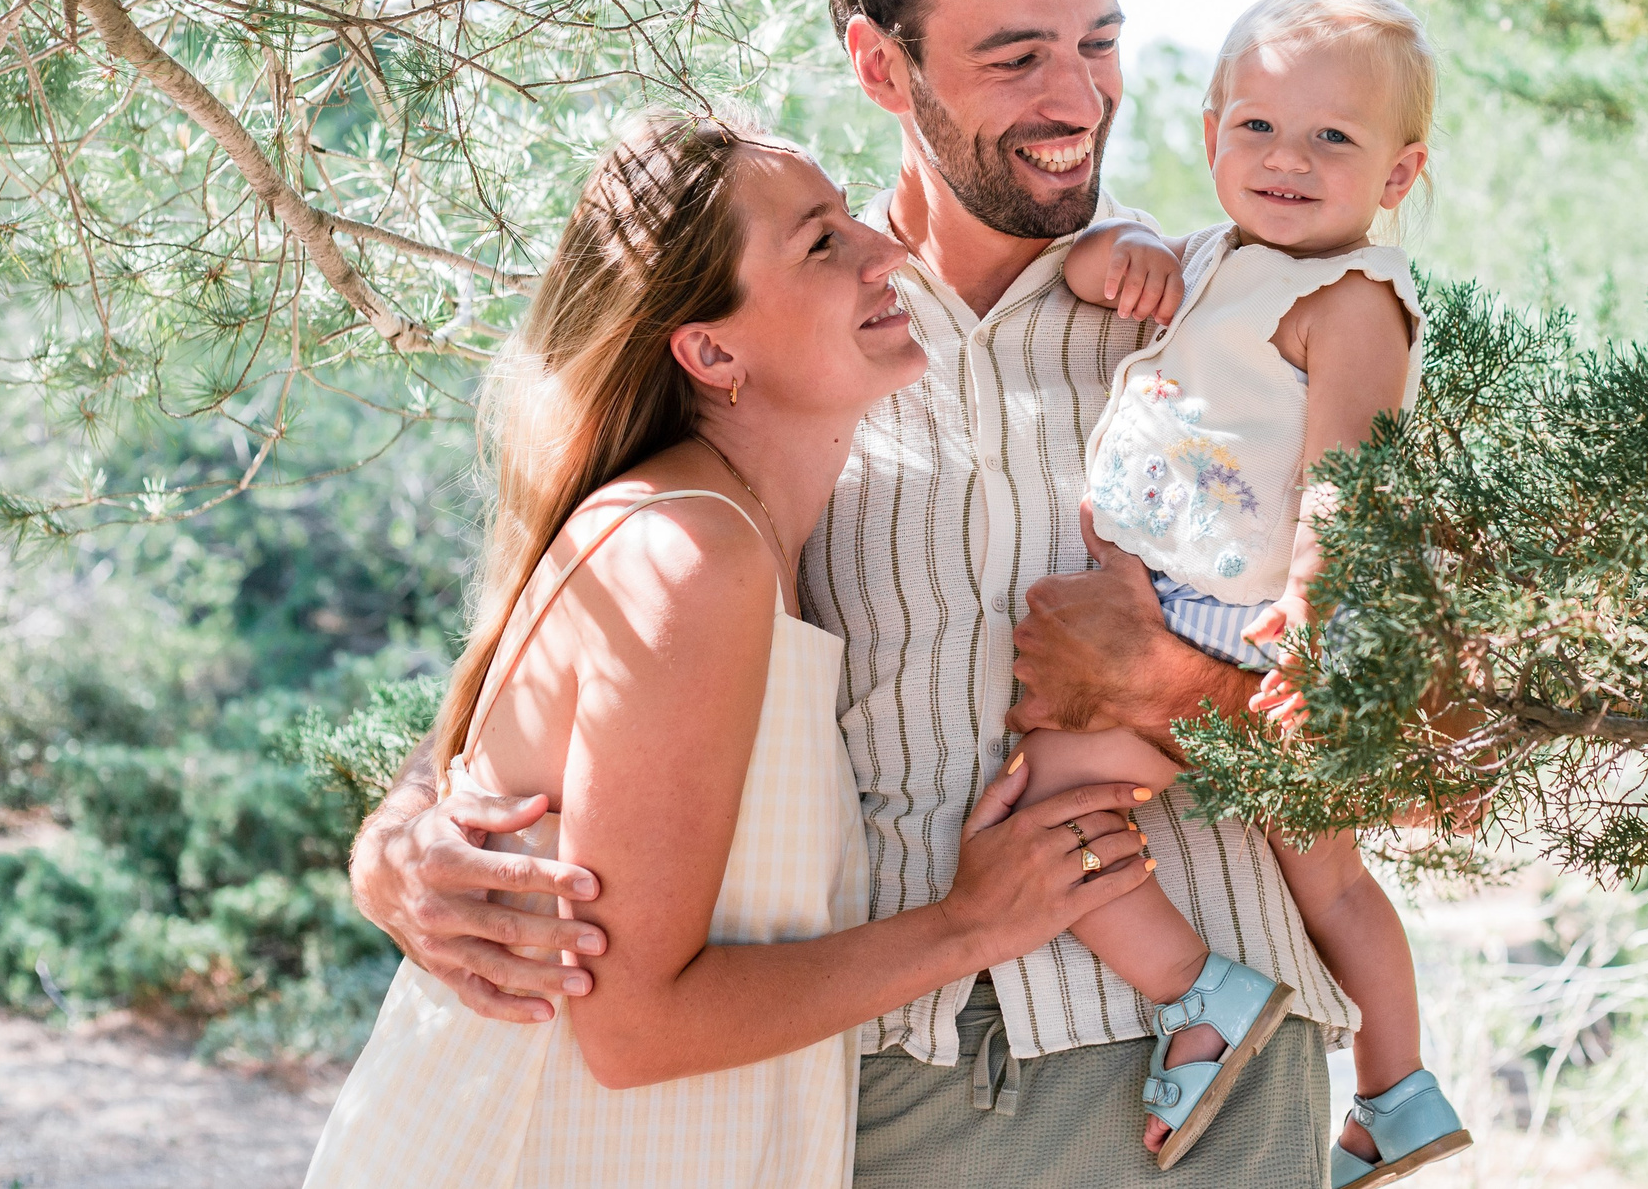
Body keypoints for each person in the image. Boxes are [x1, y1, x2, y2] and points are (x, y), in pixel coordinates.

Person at [346, 0, 1357, 1188]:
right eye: (1016, 53)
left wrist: (1172, 680)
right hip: (865, 1097)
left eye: (1100, 40)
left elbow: (1440, 748)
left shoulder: (1240, 323)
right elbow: (581, 616)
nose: (1077, 96)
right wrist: (403, 835)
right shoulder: (799, 348)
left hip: (1207, 1084)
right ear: (881, 62)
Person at [304, 111, 1158, 1188]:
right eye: (820, 243)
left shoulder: (737, 533)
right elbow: (635, 1032)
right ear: (710, 351)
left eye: (851, 218)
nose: (883, 250)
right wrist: (965, 928)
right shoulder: (687, 553)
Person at [1029, 0, 1474, 1186]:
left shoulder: (1352, 301)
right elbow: (1084, 276)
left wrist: (1317, 630)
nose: (1288, 159)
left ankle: (1215, 1003)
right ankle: (1396, 1096)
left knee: (1053, 813)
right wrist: (1116, 252)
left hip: (1238, 622)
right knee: (1314, 865)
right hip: (1178, 601)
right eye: (1257, 127)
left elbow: (1348, 478)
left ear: (1396, 173)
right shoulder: (1215, 256)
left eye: (1334, 137)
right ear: (1214, 128)